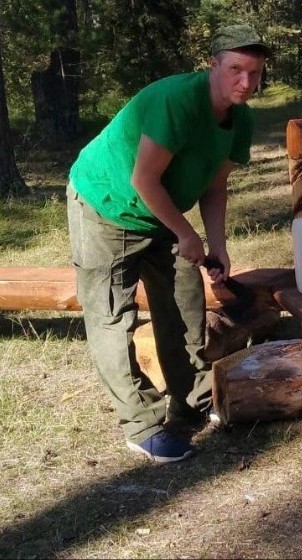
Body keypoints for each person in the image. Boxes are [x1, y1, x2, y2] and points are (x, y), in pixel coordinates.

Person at [66, 24, 270, 463]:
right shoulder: (177, 101)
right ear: (212, 65)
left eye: (255, 73)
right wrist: (185, 233)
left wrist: (217, 245)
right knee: (111, 314)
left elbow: (216, 187)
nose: (246, 83)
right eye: (236, 69)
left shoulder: (241, 119)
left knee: (183, 299)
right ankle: (141, 424)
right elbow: (143, 179)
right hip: (108, 204)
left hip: (162, 209)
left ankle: (192, 398)